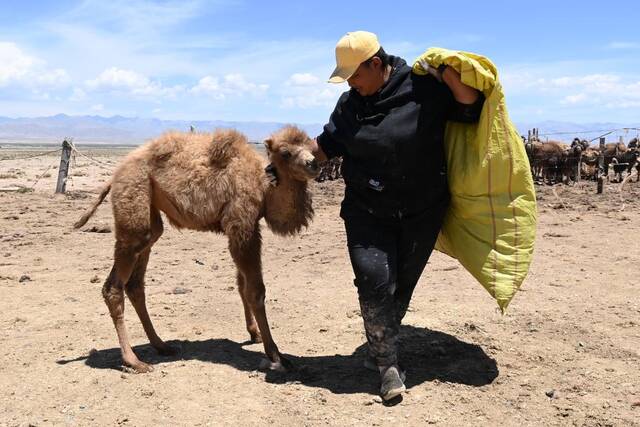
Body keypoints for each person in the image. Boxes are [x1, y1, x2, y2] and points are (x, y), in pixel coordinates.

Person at [269, 31, 484, 401]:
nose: (351, 83)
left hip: (423, 210)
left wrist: (447, 72)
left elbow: (470, 105)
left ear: (376, 64)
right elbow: (327, 144)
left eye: (355, 75)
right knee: (373, 281)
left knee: (400, 284)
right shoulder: (350, 105)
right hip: (367, 209)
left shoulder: (423, 89)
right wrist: (287, 163)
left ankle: (381, 343)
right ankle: (388, 367)